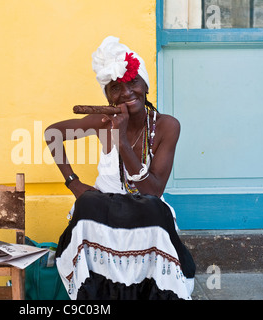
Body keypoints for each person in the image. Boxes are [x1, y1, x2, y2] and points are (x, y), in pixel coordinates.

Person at [45, 36, 195, 300]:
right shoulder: (102, 122)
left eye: (133, 82)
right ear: (108, 96)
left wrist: (122, 139)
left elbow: (153, 190)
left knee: (154, 211)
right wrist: (74, 182)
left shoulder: (167, 126)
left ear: (145, 85)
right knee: (86, 205)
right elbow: (52, 133)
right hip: (103, 208)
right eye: (116, 87)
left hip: (144, 211)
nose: (126, 93)